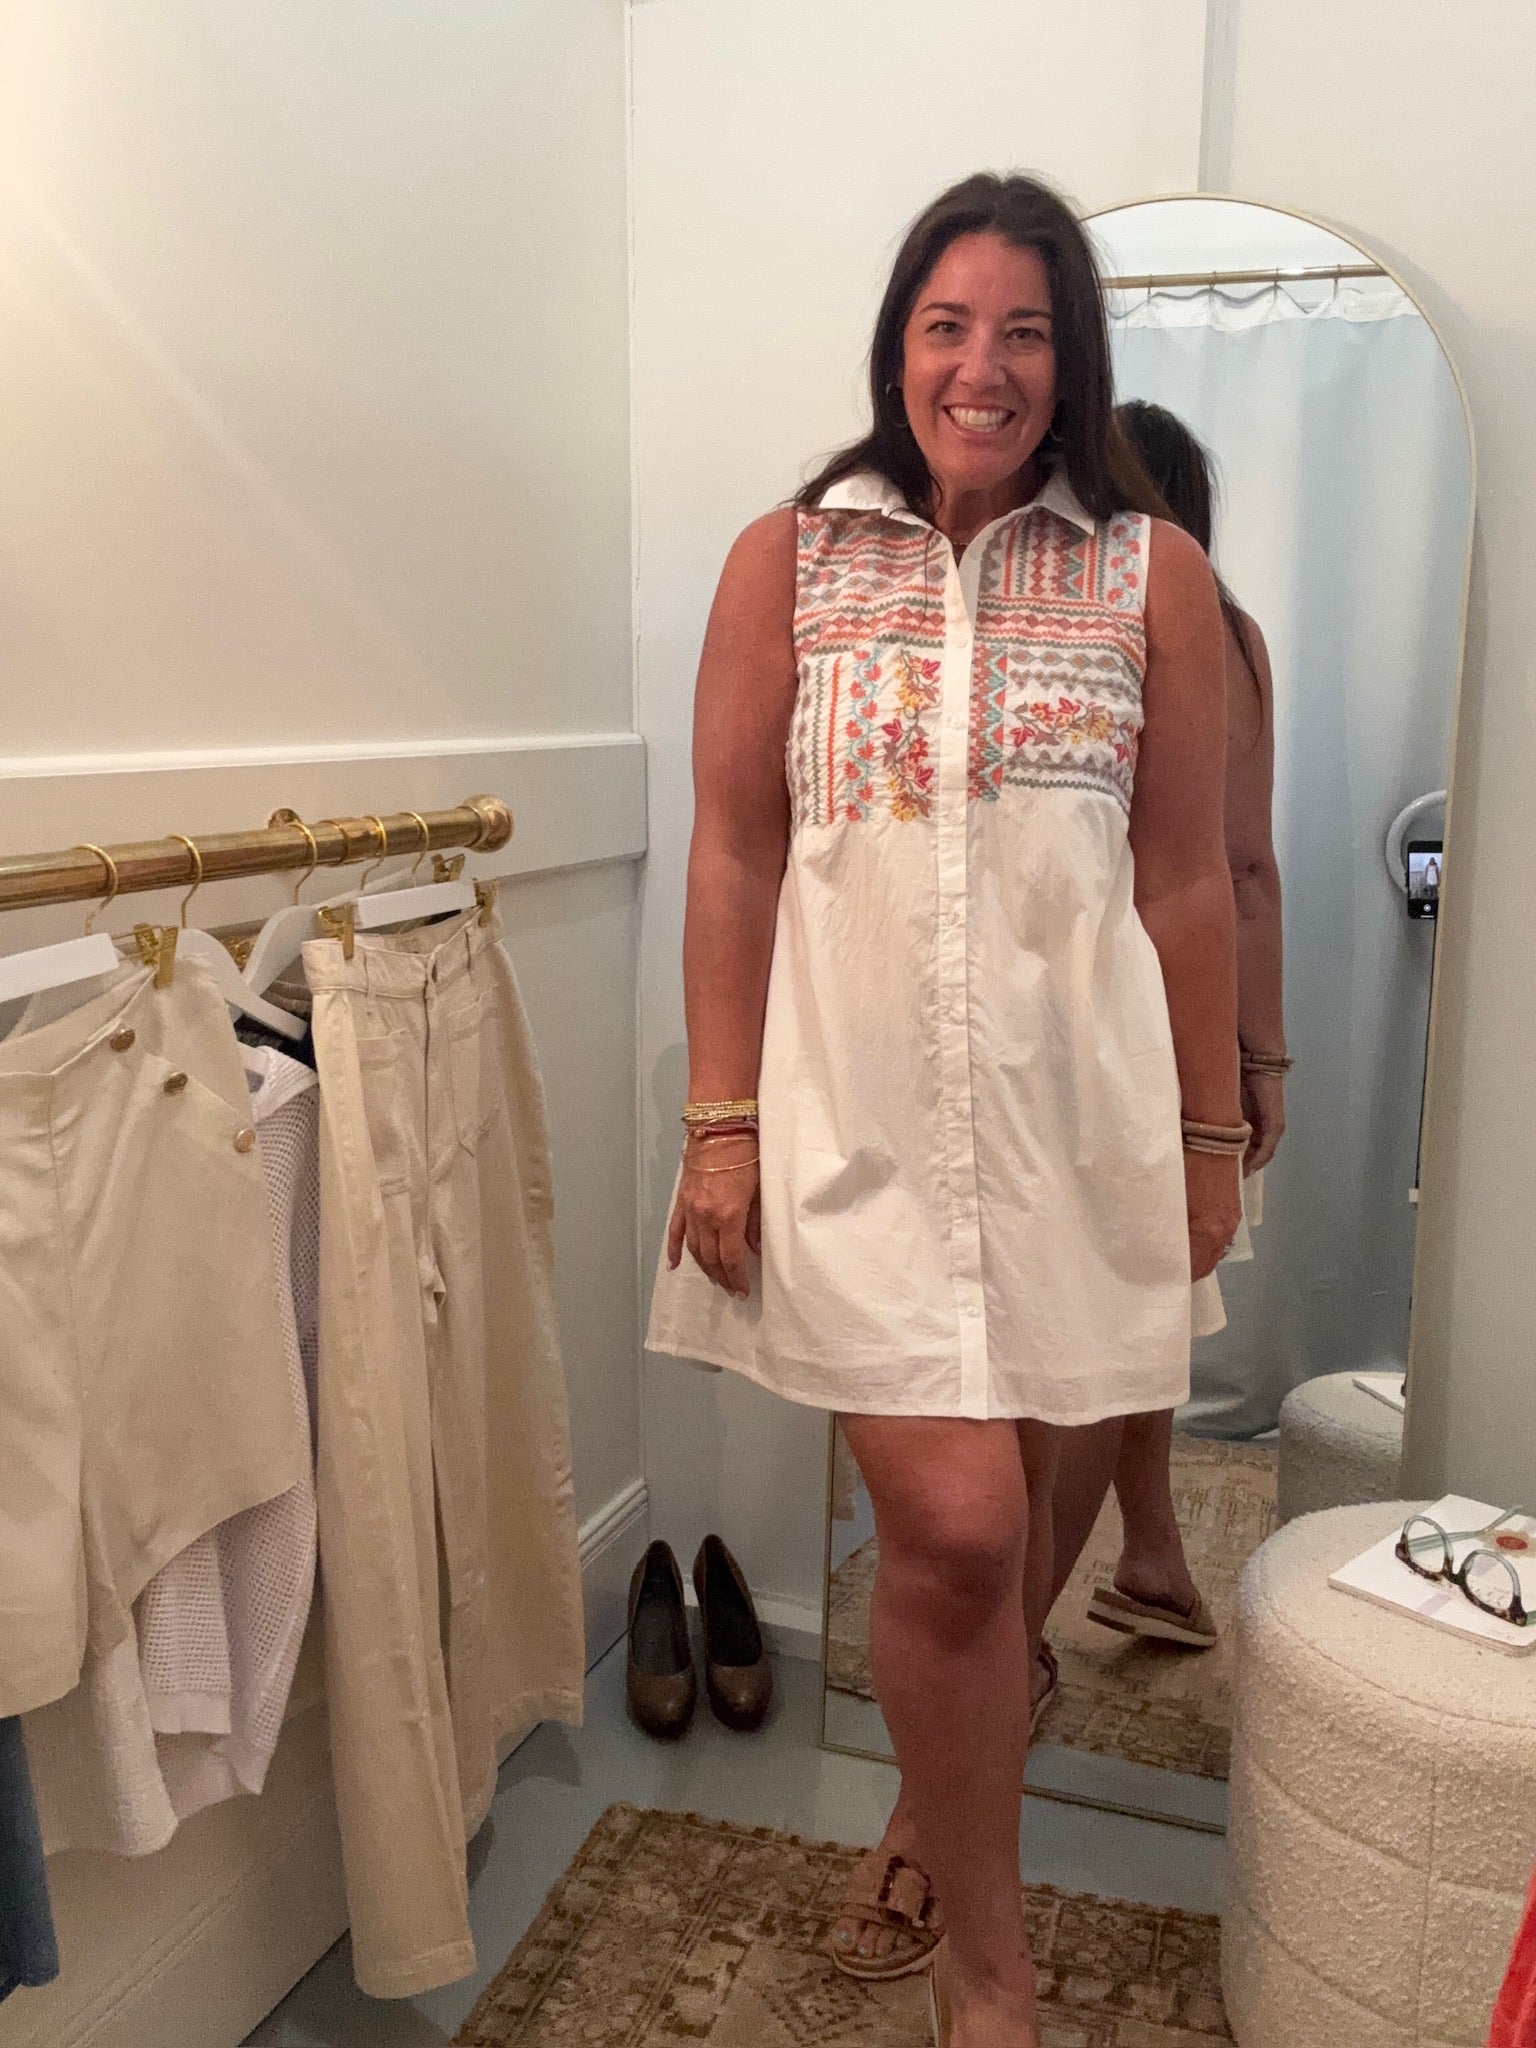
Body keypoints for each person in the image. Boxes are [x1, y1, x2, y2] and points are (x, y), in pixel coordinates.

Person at [645, 174, 1243, 2048]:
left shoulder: (1152, 576)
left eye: (1026, 333)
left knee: (996, 1530)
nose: (984, 368)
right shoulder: (789, 562)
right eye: (948, 325)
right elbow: (735, 852)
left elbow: (1189, 881)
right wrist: (719, 1121)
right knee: (970, 1526)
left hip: (1071, 1132)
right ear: (897, 345)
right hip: (855, 1133)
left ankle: (939, 1831)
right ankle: (997, 1968)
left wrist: (1212, 1132)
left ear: (1075, 363)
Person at [1026, 400, 1288, 1661]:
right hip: (1173, 1027)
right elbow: (1246, 869)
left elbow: (1224, 868)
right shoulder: (1227, 636)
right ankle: (1116, 1576)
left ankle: (1082, 1596)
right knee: (1136, 1328)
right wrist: (1256, 1056)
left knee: (1122, 1333)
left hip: (1096, 1020)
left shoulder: (1081, 618)